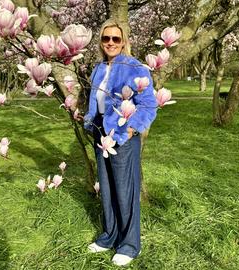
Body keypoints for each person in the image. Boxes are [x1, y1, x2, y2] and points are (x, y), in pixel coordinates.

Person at [83, 18, 157, 266]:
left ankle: (129, 244)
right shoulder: (99, 68)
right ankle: (109, 236)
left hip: (123, 134)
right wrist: (90, 122)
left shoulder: (136, 68)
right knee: (107, 188)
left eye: (116, 38)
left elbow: (148, 105)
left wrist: (131, 130)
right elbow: (96, 101)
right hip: (99, 132)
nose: (111, 43)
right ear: (101, 41)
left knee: (126, 191)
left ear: (124, 40)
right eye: (106, 38)